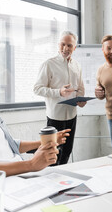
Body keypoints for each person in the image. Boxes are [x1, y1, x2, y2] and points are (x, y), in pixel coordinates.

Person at [34, 31, 86, 165]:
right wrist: (59, 92)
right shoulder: (49, 64)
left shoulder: (77, 66)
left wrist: (81, 99)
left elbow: (80, 88)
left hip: (72, 117)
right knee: (53, 156)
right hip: (55, 118)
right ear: (58, 45)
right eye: (63, 44)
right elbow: (37, 88)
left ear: (74, 48)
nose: (65, 48)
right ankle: (52, 183)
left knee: (67, 153)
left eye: (69, 45)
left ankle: (63, 182)